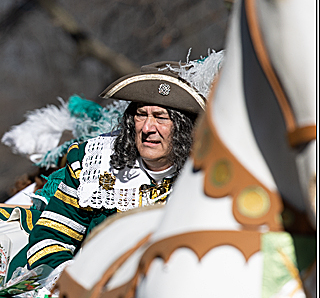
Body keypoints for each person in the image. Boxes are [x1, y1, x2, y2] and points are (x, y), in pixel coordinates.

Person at [23, 57, 222, 274]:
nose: (147, 127)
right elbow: (49, 240)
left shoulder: (208, 177)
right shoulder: (92, 162)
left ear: (184, 127)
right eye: (141, 115)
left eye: (160, 117)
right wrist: (71, 282)